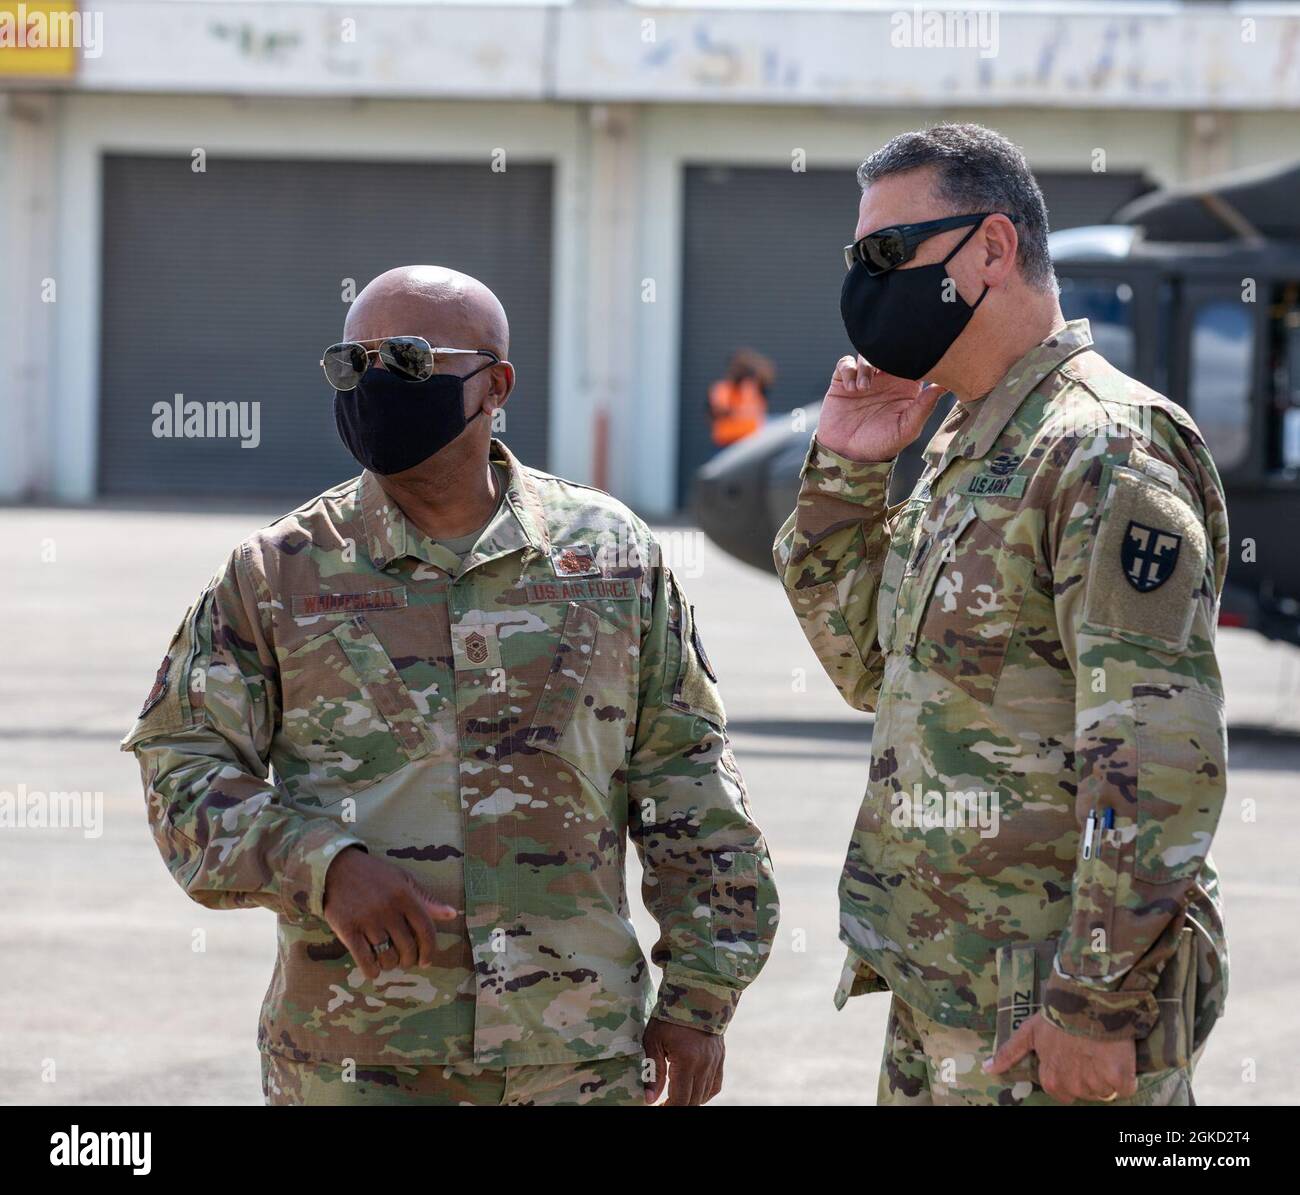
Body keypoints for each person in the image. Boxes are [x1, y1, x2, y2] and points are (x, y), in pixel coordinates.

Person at [123, 265, 778, 1107]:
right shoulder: (279, 572)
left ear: (493, 384)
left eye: (404, 360)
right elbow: (180, 761)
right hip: (356, 1060)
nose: (371, 387)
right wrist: (319, 860)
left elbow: (687, 777)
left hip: (572, 1057)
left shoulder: (606, 558)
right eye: (350, 365)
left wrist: (701, 996)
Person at [774, 124, 1229, 1106]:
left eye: (888, 254)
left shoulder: (1103, 447)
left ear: (990, 247)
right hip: (944, 984)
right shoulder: (968, 442)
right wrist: (848, 472)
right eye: (858, 258)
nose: (866, 281)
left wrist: (1093, 1004)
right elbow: (867, 667)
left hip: (1046, 1011)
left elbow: (1155, 756)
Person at [708, 349, 773, 447]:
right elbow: (719, 410)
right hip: (726, 442)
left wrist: (754, 362)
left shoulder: (751, 388)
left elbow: (767, 376)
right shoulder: (723, 388)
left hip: (749, 442)